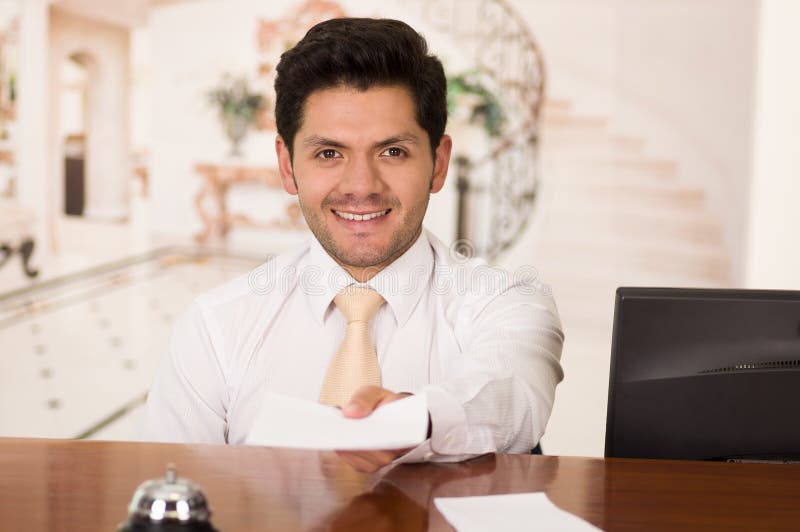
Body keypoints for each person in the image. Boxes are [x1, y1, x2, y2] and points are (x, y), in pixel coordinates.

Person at [140, 17, 564, 473]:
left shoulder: (506, 302)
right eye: (329, 153)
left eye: (392, 152)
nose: (361, 186)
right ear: (287, 165)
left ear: (438, 163)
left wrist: (412, 422)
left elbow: (511, 395)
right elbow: (170, 486)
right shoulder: (215, 326)